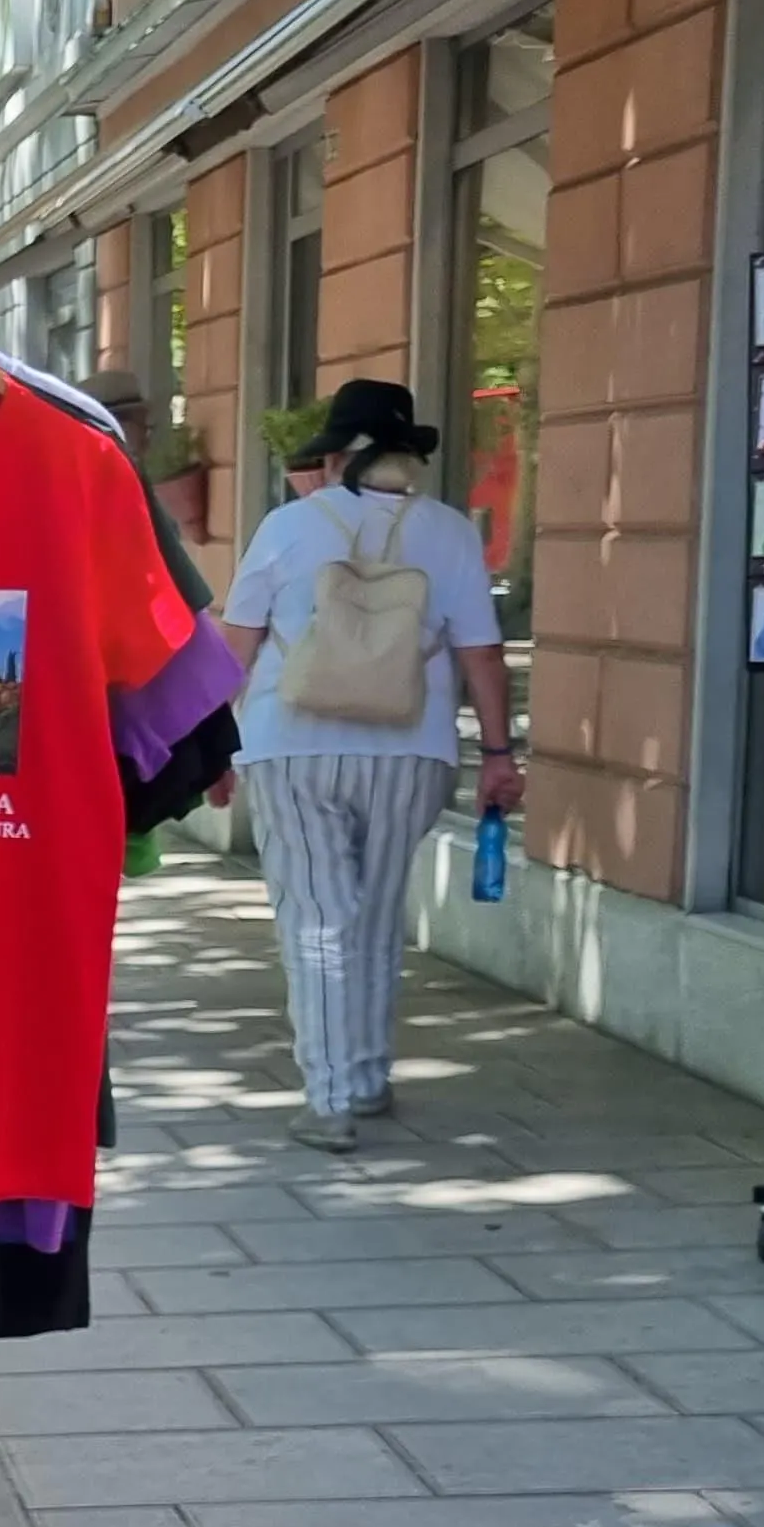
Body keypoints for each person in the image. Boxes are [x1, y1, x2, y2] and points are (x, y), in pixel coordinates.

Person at [218, 378, 519, 1152]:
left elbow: (237, 648)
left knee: (317, 916)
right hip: (411, 747)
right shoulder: (450, 531)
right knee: (377, 914)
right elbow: (481, 653)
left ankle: (328, 1099)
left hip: (292, 744)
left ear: (336, 455)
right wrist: (497, 753)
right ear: (405, 457)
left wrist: (209, 746)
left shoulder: (287, 527)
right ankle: (366, 1074)